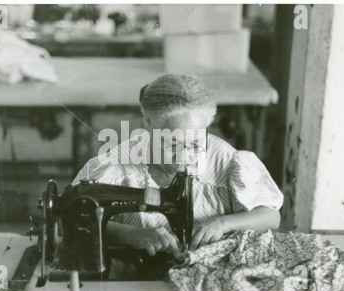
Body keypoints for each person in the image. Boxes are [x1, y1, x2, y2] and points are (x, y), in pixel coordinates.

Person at [72, 74, 283, 258]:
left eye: (195, 144)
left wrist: (224, 223)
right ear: (147, 123)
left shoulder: (228, 161)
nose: (183, 156)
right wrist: (131, 235)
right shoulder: (115, 165)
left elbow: (271, 217)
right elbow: (74, 218)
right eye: (172, 143)